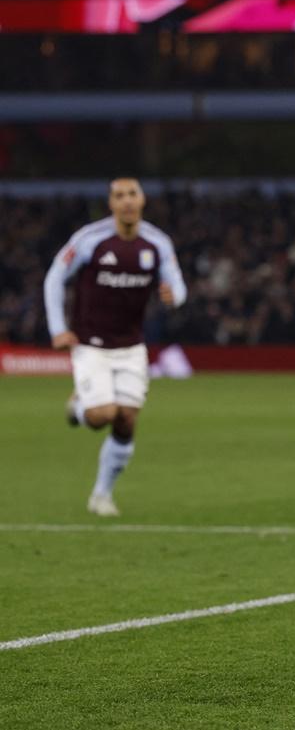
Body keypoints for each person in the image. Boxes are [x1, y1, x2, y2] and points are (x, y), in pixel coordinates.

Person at [43, 178, 187, 516]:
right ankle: (77, 409)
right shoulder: (90, 240)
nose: (126, 201)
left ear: (142, 200)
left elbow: (176, 283)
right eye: (119, 196)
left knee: (126, 421)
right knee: (100, 416)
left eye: (132, 194)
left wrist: (174, 297)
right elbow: (54, 277)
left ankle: (101, 495)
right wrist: (58, 329)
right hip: (91, 344)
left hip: (131, 346)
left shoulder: (157, 243)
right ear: (110, 203)